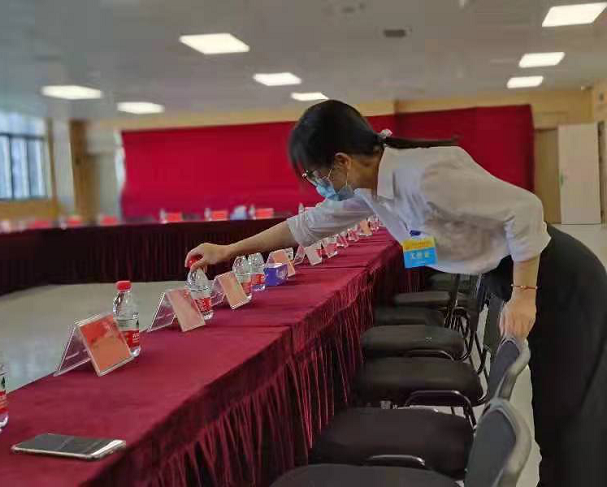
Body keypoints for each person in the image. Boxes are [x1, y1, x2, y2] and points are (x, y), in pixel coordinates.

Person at [185, 100, 607, 486]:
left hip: (557, 277)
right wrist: (229, 250)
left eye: (316, 175)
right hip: (516, 270)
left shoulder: (422, 175)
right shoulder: (371, 186)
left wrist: (524, 293)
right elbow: (306, 226)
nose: (316, 186)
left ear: (342, 161)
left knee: (571, 410)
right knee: (555, 407)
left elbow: (526, 209)